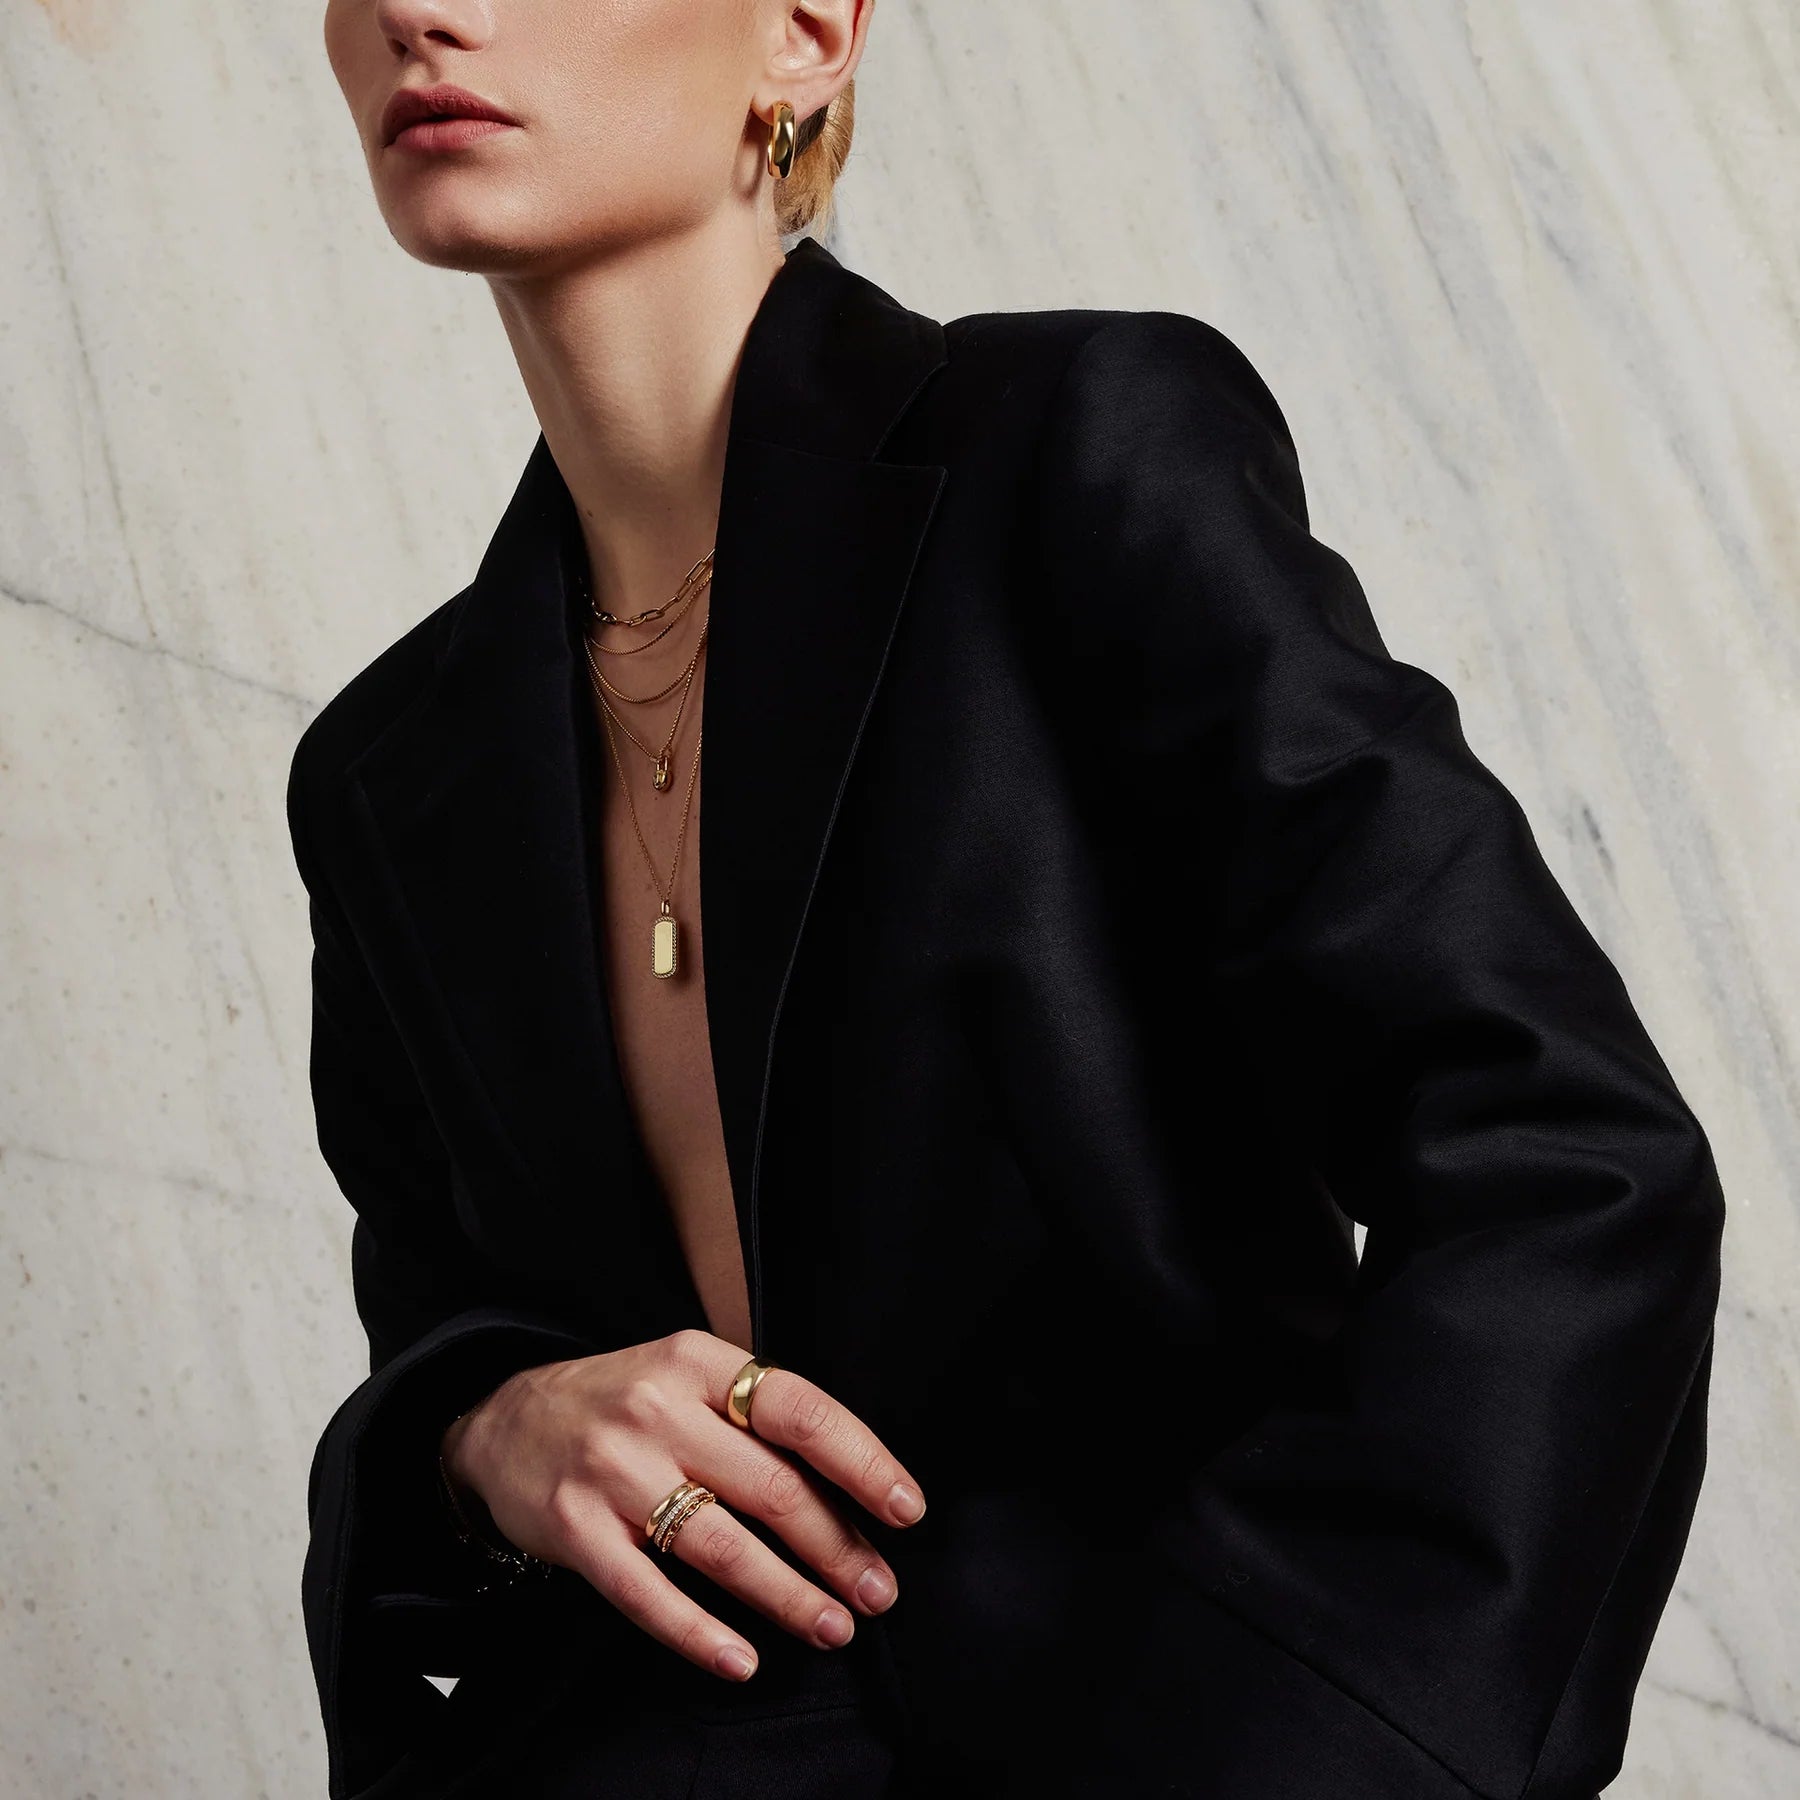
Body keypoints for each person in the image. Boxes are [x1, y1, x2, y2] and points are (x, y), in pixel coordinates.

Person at [290, 1, 1726, 1795]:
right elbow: (445, 1336)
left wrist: (1320, 1748)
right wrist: (488, 1434)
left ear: (804, 32)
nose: (424, 8)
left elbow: (1568, 1152)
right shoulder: (392, 774)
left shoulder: (1073, 453)